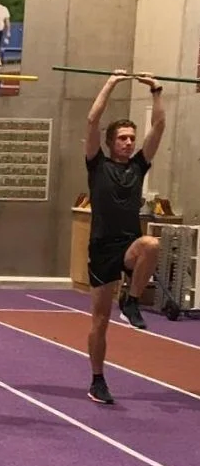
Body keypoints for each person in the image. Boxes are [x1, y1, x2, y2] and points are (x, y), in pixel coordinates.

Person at [83, 70, 165, 405]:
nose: (129, 142)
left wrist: (156, 90)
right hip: (102, 247)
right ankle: (97, 379)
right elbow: (91, 120)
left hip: (128, 244)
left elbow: (158, 127)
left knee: (151, 244)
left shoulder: (139, 166)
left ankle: (130, 300)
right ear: (111, 141)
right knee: (99, 320)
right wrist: (112, 83)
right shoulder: (97, 164)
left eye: (132, 138)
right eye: (123, 138)